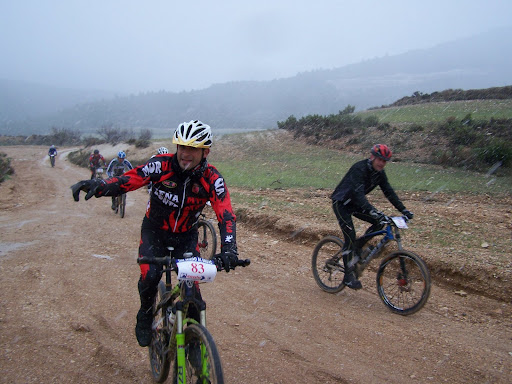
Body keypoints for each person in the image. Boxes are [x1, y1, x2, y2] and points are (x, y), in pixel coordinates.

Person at [71, 120, 239, 347]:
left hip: (186, 236)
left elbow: (225, 213)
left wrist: (229, 249)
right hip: (155, 232)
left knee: (194, 298)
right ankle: (145, 314)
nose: (185, 154)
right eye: (181, 147)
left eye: (192, 149)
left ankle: (195, 345)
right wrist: (100, 186)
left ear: (205, 151)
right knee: (150, 276)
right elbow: (130, 179)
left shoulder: (212, 178)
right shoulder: (161, 165)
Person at [331, 144, 414, 290]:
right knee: (350, 236)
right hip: (342, 203)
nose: (382, 163)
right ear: (372, 157)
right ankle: (348, 277)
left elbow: (389, 192)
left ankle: (358, 246)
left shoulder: (379, 173)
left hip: (356, 205)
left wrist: (404, 210)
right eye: (379, 159)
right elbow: (358, 193)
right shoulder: (359, 168)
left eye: (384, 161)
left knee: (379, 222)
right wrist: (372, 210)